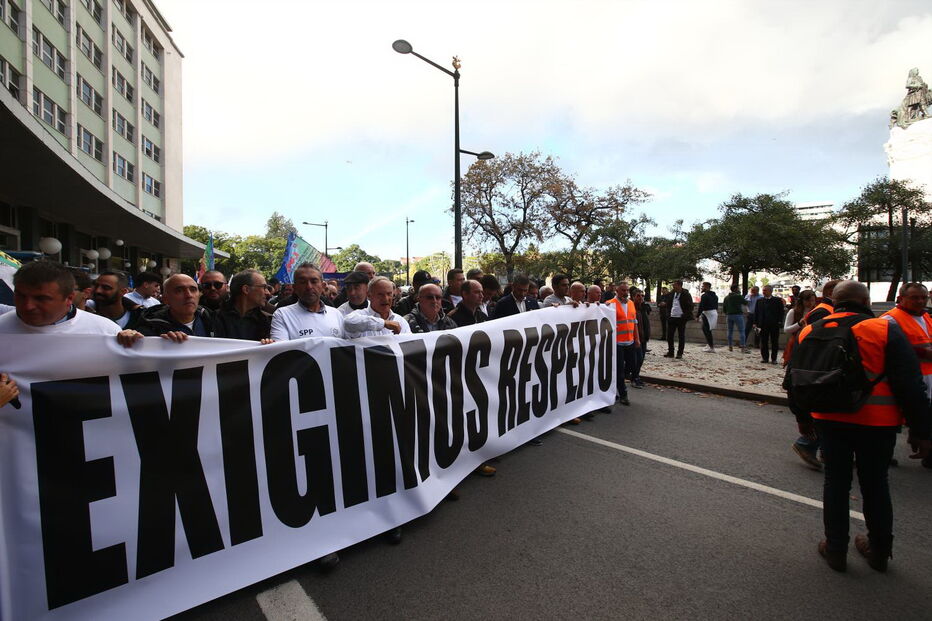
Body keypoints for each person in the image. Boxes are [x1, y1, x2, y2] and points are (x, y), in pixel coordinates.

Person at [789, 280, 931, 572]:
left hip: (828, 419)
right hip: (877, 423)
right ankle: (879, 550)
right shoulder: (883, 329)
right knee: (876, 484)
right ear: (867, 303)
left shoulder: (810, 330)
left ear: (835, 302)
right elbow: (910, 383)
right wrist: (920, 430)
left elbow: (795, 379)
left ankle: (835, 549)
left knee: (836, 484)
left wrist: (802, 418)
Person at [882, 282, 932, 470]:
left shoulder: (926, 316)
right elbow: (887, 346)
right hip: (906, 378)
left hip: (927, 377)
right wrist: (922, 352)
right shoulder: (891, 319)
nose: (920, 301)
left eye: (923, 297)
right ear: (900, 299)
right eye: (914, 297)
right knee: (902, 416)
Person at [0, 260, 122, 337]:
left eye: (41, 299)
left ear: (69, 298)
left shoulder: (105, 332)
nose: (28, 306)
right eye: (21, 296)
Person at [784, 289, 820, 470]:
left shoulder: (818, 312)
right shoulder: (794, 312)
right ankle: (808, 442)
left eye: (812, 299)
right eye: (808, 300)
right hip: (797, 344)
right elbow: (786, 329)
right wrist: (800, 323)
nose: (810, 303)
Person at [134, 274, 224, 340]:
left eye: (193, 290)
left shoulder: (214, 320)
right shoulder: (149, 329)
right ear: (165, 299)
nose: (189, 295)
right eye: (179, 290)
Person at [269, 264, 344, 341]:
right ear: (295, 288)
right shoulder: (282, 315)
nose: (309, 287)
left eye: (314, 281)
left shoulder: (336, 314)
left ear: (323, 286)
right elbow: (280, 350)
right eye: (302, 282)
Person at [345, 276, 412, 338]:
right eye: (380, 294)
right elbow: (348, 322)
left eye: (389, 294)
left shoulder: (401, 321)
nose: (385, 299)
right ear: (369, 295)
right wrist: (384, 323)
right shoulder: (358, 316)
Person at [217, 269, 272, 341]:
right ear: (246, 289)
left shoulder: (267, 320)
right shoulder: (215, 318)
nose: (268, 293)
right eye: (264, 287)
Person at [607, 282, 639, 406]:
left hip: (630, 341)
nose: (625, 293)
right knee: (619, 370)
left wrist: (637, 339)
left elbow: (634, 322)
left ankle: (615, 388)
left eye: (627, 290)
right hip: (617, 343)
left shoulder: (631, 303)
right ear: (617, 291)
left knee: (632, 366)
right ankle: (623, 394)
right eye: (623, 290)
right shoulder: (610, 304)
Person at [753, 285, 785, 364]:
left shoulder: (777, 301)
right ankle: (765, 358)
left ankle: (774, 358)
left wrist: (780, 321)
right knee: (764, 342)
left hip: (774, 324)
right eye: (763, 290)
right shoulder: (759, 301)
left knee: (774, 342)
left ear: (770, 291)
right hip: (763, 324)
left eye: (765, 290)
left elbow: (781, 312)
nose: (763, 292)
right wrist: (755, 323)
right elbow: (756, 312)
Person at [661, 280, 693, 359]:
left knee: (681, 336)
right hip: (672, 317)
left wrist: (684, 315)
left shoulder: (686, 294)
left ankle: (680, 353)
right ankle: (671, 352)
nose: (673, 287)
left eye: (674, 285)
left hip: (681, 318)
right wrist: (665, 306)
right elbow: (669, 303)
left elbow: (691, 306)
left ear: (679, 285)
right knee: (670, 336)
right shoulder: (672, 293)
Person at [631, 287, 650, 388]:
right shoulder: (632, 308)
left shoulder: (643, 308)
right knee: (637, 359)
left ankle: (636, 377)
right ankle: (634, 378)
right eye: (638, 296)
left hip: (643, 338)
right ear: (633, 297)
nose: (641, 298)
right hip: (635, 339)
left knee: (641, 359)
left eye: (642, 296)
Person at [722, 284, 748, 352]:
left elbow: (724, 308)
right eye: (738, 288)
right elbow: (745, 303)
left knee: (730, 331)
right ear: (736, 289)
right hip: (738, 315)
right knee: (742, 331)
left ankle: (730, 346)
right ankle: (743, 347)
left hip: (729, 315)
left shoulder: (726, 297)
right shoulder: (738, 296)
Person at [696, 281, 719, 353]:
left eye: (703, 286)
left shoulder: (704, 296)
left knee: (707, 330)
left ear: (706, 287)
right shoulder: (715, 296)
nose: (701, 288)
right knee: (706, 329)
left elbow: (701, 306)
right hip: (713, 313)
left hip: (708, 313)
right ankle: (709, 344)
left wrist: (697, 316)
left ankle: (711, 347)